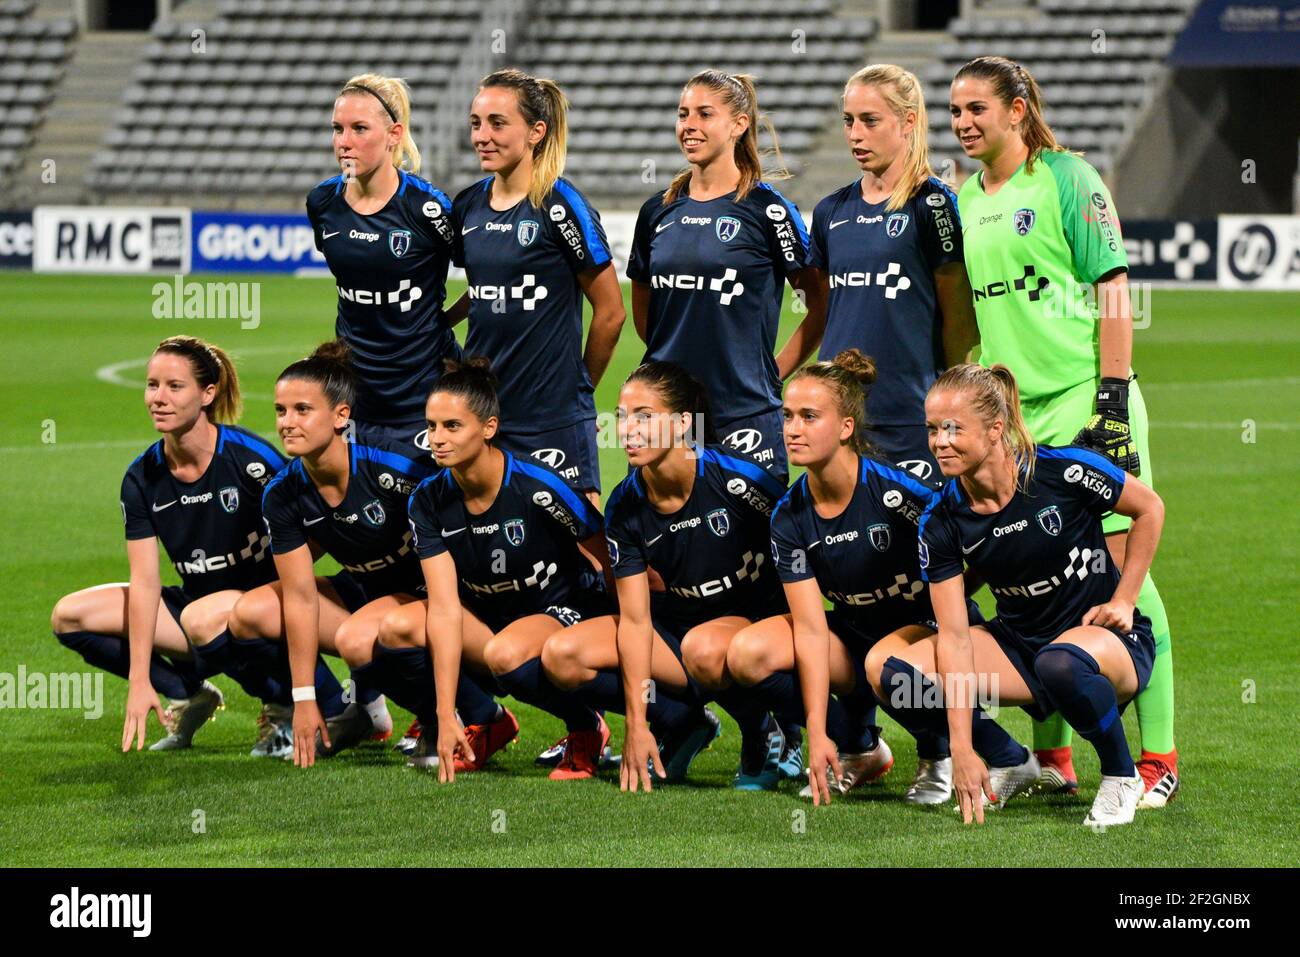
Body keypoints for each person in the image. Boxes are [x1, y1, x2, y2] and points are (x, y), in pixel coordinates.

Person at [950, 55, 1178, 806]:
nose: (964, 121)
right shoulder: (963, 198)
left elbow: (1113, 287)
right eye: (955, 110)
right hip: (1016, 421)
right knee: (1032, 579)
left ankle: (1157, 758)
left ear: (1018, 110)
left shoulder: (1067, 178)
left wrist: (1111, 398)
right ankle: (1054, 756)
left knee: (1120, 585)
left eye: (978, 107)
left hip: (1086, 401)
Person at [879, 363, 1163, 827]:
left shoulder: (1063, 470)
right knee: (900, 676)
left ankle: (1121, 775)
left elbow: (1149, 508)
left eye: (953, 428)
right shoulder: (941, 520)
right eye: (932, 429)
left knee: (1061, 661)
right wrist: (963, 748)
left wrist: (1125, 600)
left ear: (996, 428)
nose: (939, 442)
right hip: (1021, 649)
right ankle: (1011, 760)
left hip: (1104, 645)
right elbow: (955, 638)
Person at [49, 336, 326, 755]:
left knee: (215, 618)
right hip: (194, 612)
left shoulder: (252, 460)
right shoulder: (142, 477)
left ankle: (283, 704)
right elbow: (145, 582)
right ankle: (187, 693)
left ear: (207, 393)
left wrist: (279, 593)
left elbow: (317, 528)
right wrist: (141, 679)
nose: (158, 398)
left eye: (174, 387)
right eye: (152, 385)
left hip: (263, 612)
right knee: (70, 616)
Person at [730, 350, 982, 805]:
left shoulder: (899, 494)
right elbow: (809, 628)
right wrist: (819, 731)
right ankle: (858, 749)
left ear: (847, 427)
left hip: (926, 636)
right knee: (749, 654)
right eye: (787, 416)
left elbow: (971, 551)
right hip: (854, 635)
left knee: (889, 666)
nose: (793, 428)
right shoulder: (788, 516)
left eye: (809, 417)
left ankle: (938, 752)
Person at [542, 362, 794, 792]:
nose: (628, 430)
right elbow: (636, 621)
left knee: (707, 648)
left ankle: (765, 731)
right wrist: (637, 722)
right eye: (622, 418)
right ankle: (680, 723)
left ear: (681, 424)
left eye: (644, 416)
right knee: (561, 656)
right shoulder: (624, 503)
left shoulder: (738, 479)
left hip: (750, 629)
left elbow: (796, 547)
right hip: (675, 634)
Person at [231, 341, 477, 767]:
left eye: (302, 410)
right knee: (250, 612)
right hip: (366, 590)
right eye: (280, 411)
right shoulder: (281, 494)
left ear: (342, 416)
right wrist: (304, 696)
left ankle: (461, 716)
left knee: (357, 638)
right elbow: (301, 597)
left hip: (431, 593)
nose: (287, 423)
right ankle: (359, 710)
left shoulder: (395, 466)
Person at [379, 358, 617, 781]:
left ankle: (586, 726)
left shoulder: (539, 485)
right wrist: (443, 710)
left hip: (559, 608)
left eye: (452, 426)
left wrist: (618, 629)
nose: (437, 438)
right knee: (396, 629)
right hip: (487, 613)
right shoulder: (427, 501)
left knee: (505, 655)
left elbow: (606, 553)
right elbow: (446, 608)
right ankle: (485, 719)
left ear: (489, 428)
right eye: (431, 426)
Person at [627, 69, 826, 480]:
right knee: (663, 540)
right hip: (667, 417)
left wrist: (771, 373)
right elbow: (647, 315)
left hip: (745, 415)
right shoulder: (657, 212)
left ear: (739, 124)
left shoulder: (768, 211)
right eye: (683, 115)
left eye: (704, 114)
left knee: (747, 543)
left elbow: (820, 304)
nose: (689, 126)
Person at [446, 68, 624, 500]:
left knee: (580, 553)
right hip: (483, 413)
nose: (482, 136)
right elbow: (488, 287)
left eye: (497, 123)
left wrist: (580, 387)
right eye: (476, 123)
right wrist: (442, 322)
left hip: (553, 418)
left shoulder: (561, 206)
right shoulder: (467, 206)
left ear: (536, 132)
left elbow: (611, 311)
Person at [803, 64, 978, 478]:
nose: (855, 134)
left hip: (910, 417)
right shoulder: (831, 211)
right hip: (839, 416)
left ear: (908, 121)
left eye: (869, 120)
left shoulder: (932, 205)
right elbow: (825, 310)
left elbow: (960, 317)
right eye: (848, 121)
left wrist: (944, 395)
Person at [306, 72, 460, 451]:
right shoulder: (323, 203)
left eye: (359, 128)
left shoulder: (428, 209)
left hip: (423, 394)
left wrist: (442, 321)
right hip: (354, 395)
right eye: (337, 129)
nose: (344, 142)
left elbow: (491, 275)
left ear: (394, 134)